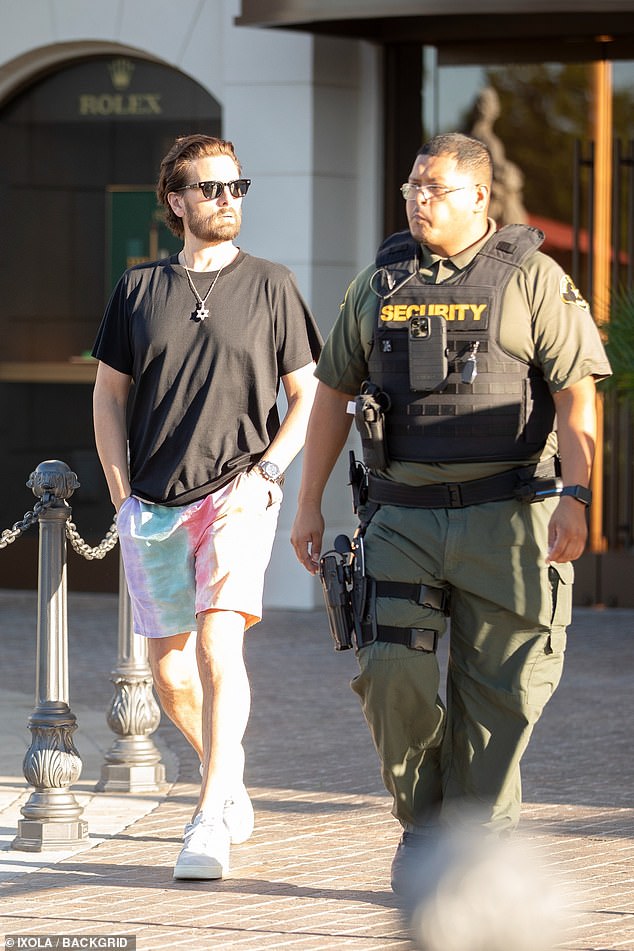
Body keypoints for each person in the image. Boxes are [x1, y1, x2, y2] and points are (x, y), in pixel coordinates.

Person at [290, 132, 610, 895]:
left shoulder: (533, 278)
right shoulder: (380, 283)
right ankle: (427, 828)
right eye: (410, 185)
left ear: (479, 197)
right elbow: (332, 393)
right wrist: (307, 502)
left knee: (502, 694)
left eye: (432, 186)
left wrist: (576, 492)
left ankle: (475, 851)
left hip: (508, 517)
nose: (416, 198)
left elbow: (576, 397)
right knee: (391, 677)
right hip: (402, 516)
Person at [92, 134, 322, 881]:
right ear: (176, 201)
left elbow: (308, 395)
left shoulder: (272, 284)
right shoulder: (138, 290)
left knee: (222, 650)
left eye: (236, 187)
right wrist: (123, 495)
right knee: (170, 673)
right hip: (154, 502)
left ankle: (208, 812)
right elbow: (108, 395)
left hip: (237, 490)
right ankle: (227, 768)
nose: (228, 199)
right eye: (212, 187)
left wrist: (271, 472)